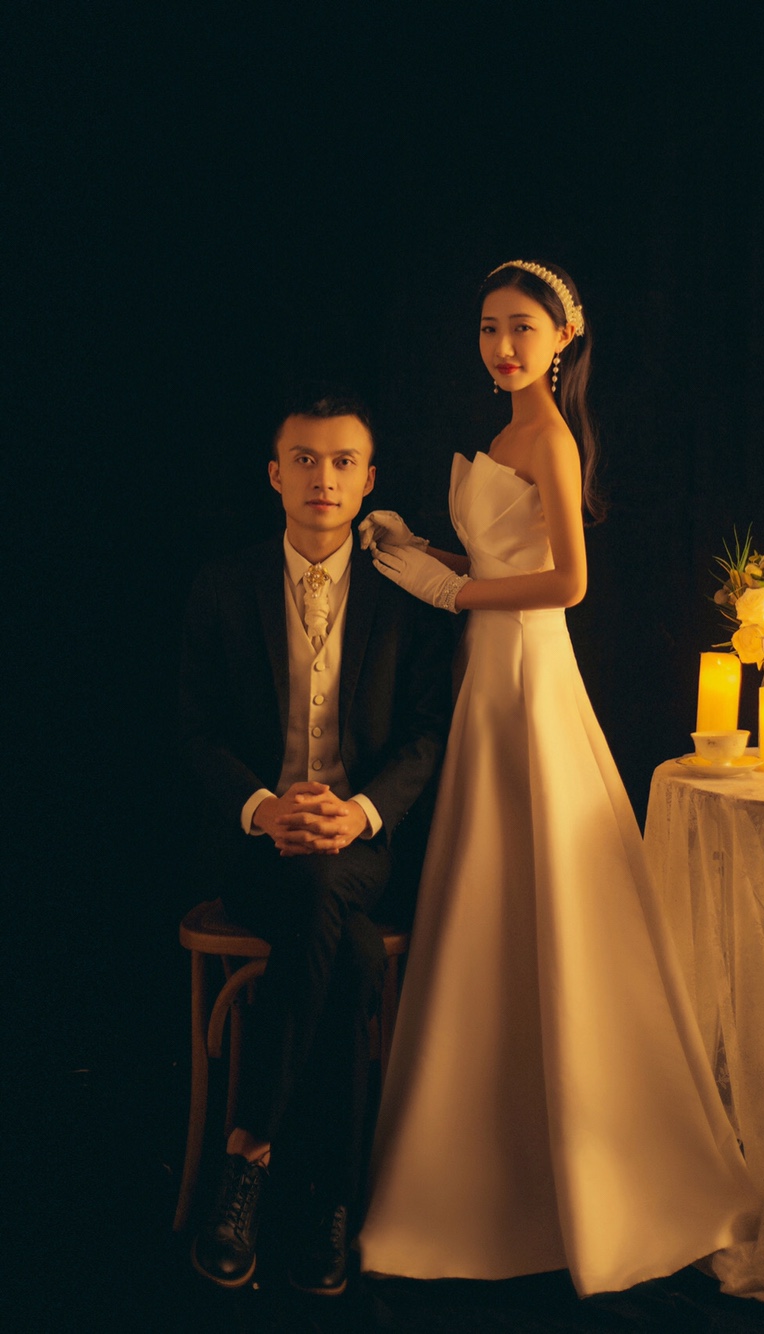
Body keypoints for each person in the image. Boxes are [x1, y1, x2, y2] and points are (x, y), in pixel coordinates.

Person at [357, 261, 760, 1297]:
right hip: (488, 670)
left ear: (563, 339)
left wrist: (450, 590)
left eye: (523, 329)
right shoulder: (505, 435)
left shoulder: (548, 437)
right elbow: (502, 557)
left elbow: (569, 583)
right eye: (489, 328)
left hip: (528, 674)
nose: (503, 347)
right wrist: (421, 550)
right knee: (492, 886)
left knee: (538, 883)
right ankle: (488, 1139)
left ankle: (590, 1163)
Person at [178, 391, 452, 1295]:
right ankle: (332, 1201)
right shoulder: (225, 585)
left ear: (369, 480)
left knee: (327, 886)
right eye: (303, 459)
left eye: (342, 462)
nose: (322, 478)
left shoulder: (406, 596)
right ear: (274, 474)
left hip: (362, 846)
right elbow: (195, 732)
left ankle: (245, 1160)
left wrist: (361, 811)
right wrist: (263, 809)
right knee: (350, 950)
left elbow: (428, 733)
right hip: (256, 850)